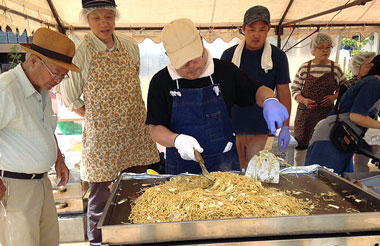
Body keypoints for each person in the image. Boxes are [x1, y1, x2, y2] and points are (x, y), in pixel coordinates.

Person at [59, 0, 160, 245]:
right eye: (96, 18)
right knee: (100, 200)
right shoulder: (81, 52)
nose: (104, 23)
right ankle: (99, 242)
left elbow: (133, 78)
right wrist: (99, 118)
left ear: (115, 18)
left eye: (108, 17)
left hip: (135, 134)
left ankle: (136, 239)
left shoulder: (129, 46)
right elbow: (70, 98)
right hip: (102, 141)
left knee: (138, 191)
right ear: (87, 21)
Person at [146, 18, 289, 175]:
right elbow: (155, 129)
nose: (192, 66)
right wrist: (176, 140)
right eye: (184, 63)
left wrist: (270, 100)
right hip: (182, 166)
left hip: (224, 163)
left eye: (194, 58)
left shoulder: (224, 71)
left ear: (201, 42)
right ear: (168, 55)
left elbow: (257, 90)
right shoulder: (161, 82)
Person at [0, 27, 78, 246]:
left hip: (41, 183)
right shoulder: (7, 89)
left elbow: (45, 128)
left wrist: (58, 158)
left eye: (63, 76)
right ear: (34, 61)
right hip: (14, 187)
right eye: (55, 73)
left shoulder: (41, 89)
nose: (57, 80)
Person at [221, 5, 291, 170]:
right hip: (232, 124)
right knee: (232, 172)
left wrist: (286, 126)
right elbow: (220, 92)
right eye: (252, 29)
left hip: (260, 124)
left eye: (262, 29)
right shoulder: (229, 55)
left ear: (269, 29)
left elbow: (283, 93)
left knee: (254, 171)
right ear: (243, 29)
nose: (257, 35)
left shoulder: (278, 57)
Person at [305, 55, 380, 175]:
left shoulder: (372, 83)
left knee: (337, 185)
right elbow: (356, 116)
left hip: (342, 139)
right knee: (323, 184)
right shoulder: (373, 83)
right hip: (331, 138)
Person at [291, 33, 346, 166]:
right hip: (305, 114)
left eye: (328, 47)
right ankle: (299, 171)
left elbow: (344, 89)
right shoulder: (305, 68)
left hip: (326, 114)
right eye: (321, 48)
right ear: (313, 49)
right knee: (301, 144)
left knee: (323, 143)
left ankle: (320, 170)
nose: (325, 51)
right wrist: (304, 100)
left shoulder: (336, 68)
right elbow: (294, 90)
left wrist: (334, 97)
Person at [338, 52, 376, 172]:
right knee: (343, 158)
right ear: (358, 67)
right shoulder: (348, 85)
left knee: (362, 160)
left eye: (372, 65)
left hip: (367, 128)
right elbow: (340, 108)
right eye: (368, 65)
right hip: (348, 127)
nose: (371, 68)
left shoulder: (374, 84)